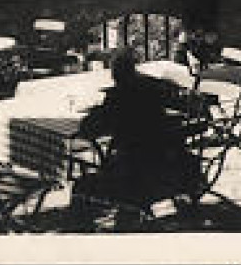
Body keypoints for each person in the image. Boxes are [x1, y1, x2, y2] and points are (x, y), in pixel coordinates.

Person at [72, 47, 203, 219]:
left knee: (82, 184)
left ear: (116, 73)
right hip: (160, 159)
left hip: (132, 167)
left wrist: (92, 114)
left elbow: (90, 128)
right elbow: (179, 104)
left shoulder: (116, 96)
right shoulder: (152, 89)